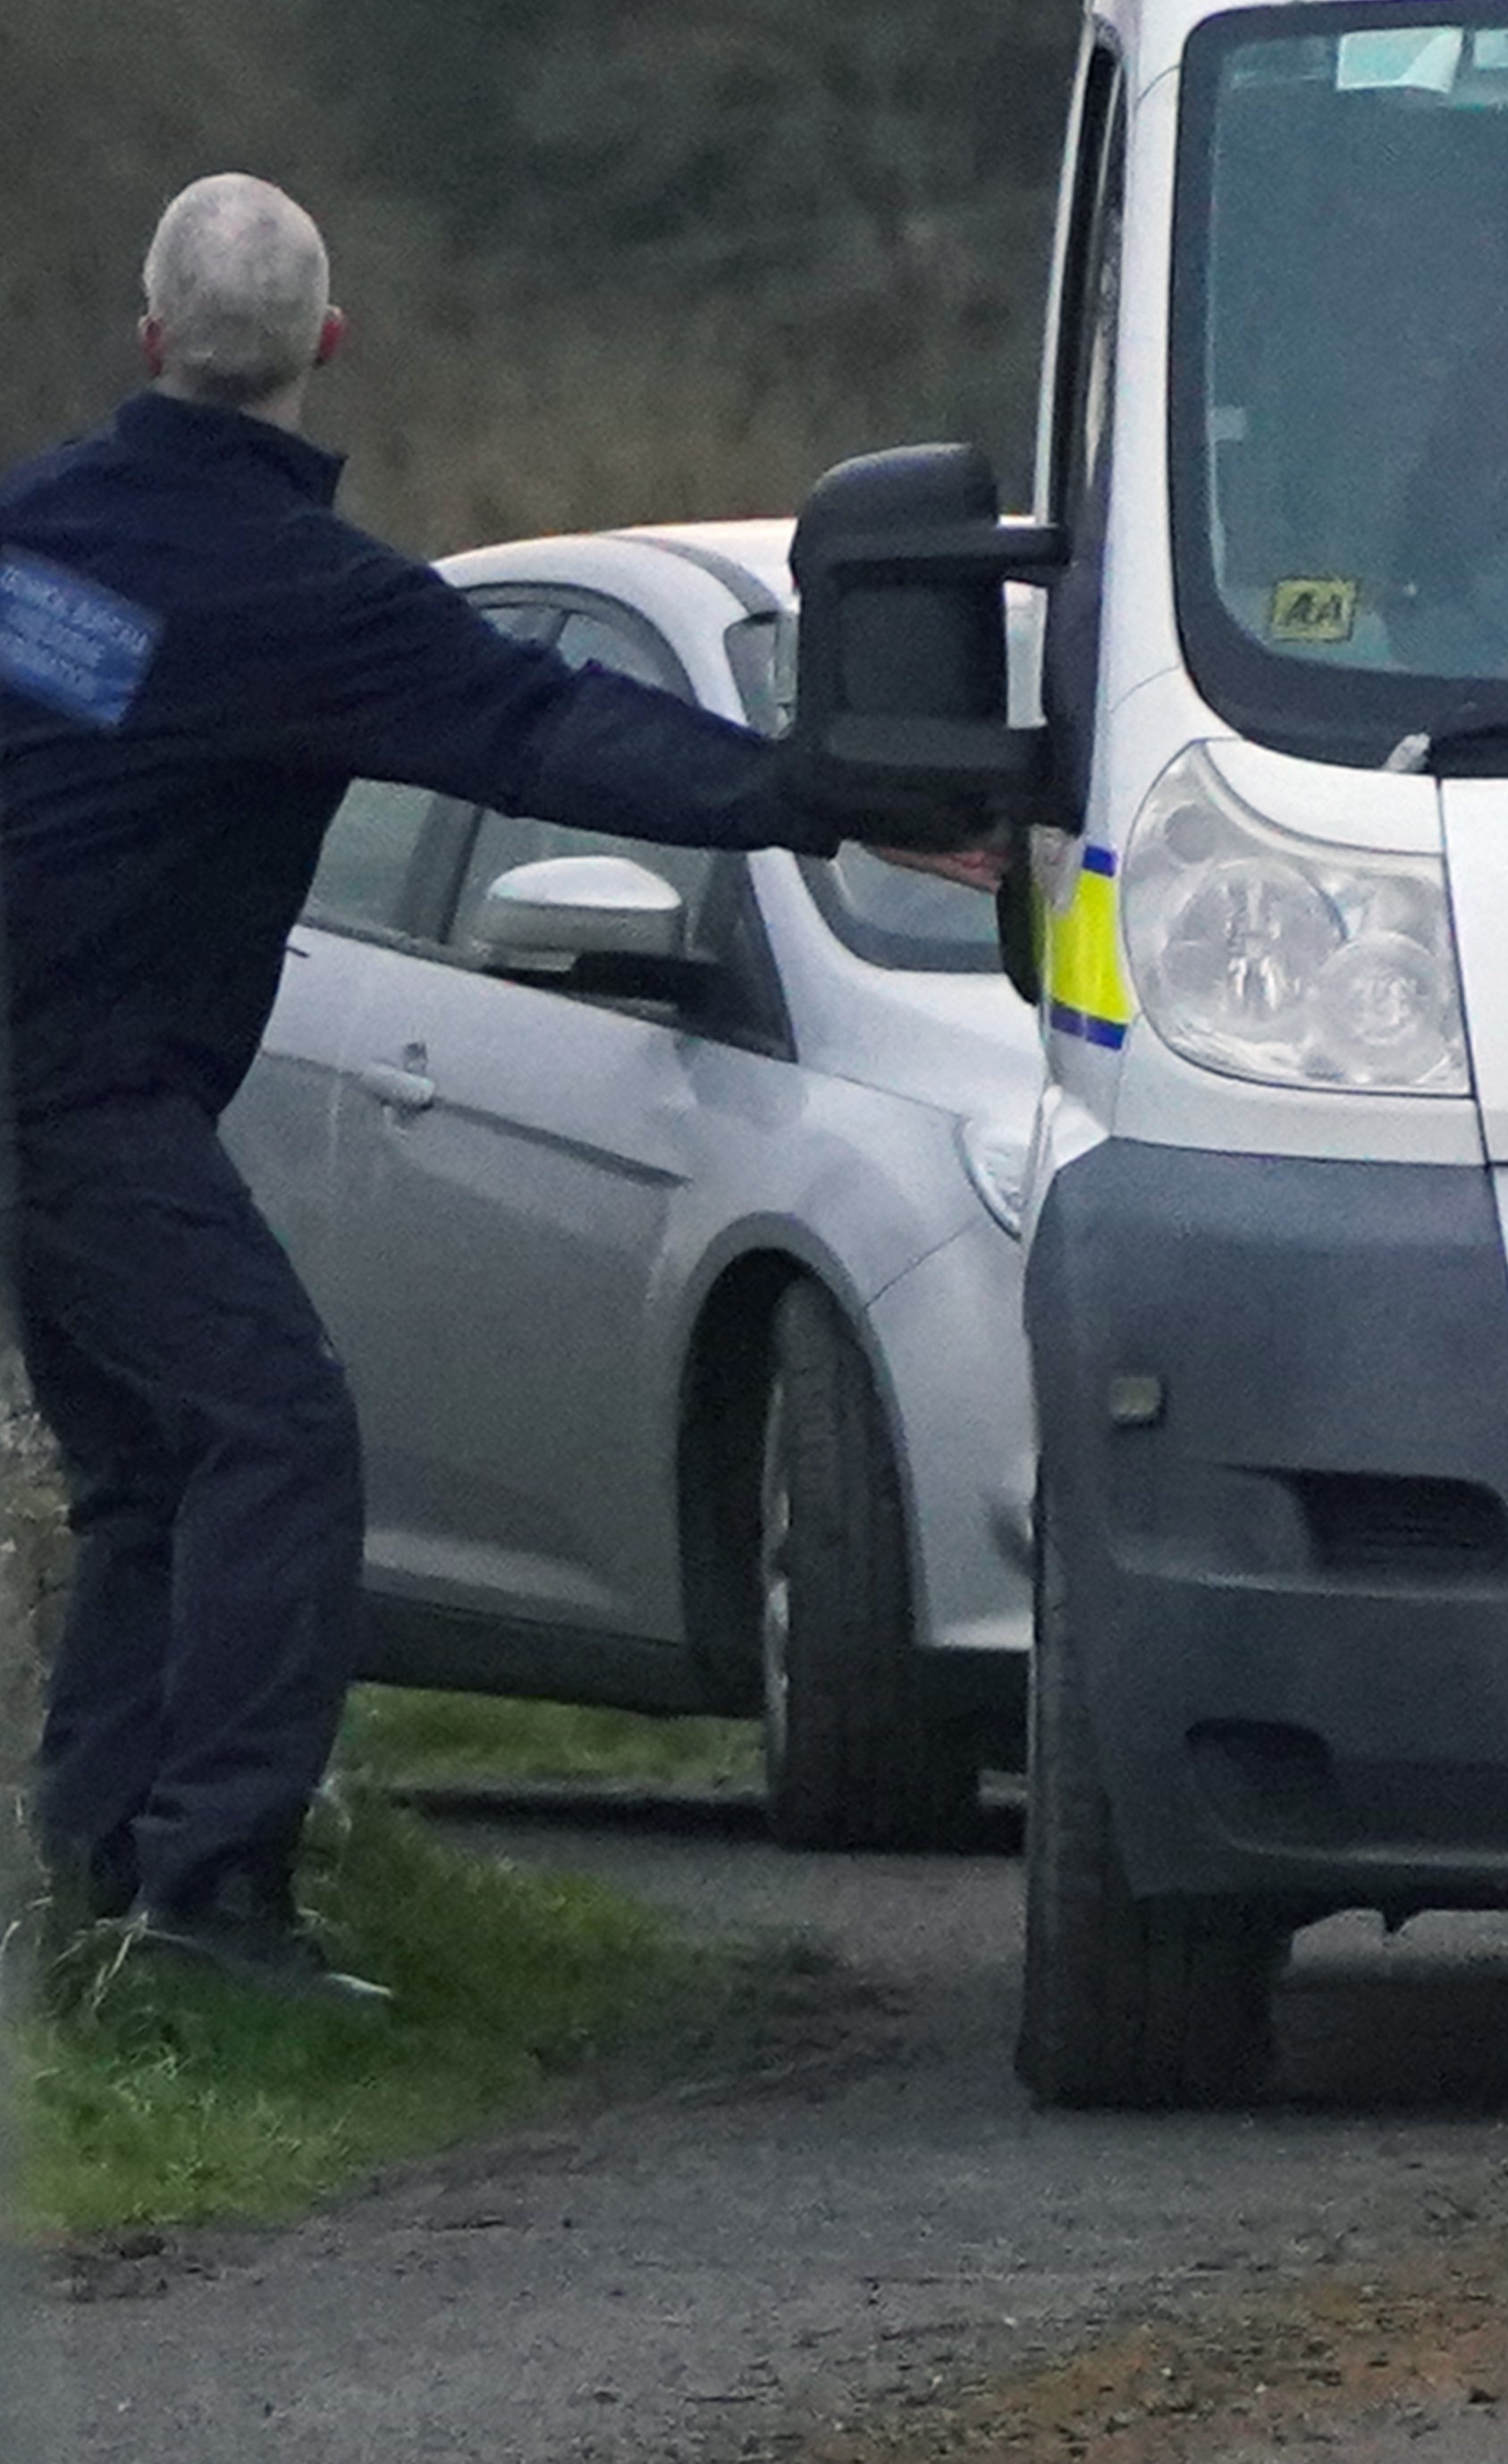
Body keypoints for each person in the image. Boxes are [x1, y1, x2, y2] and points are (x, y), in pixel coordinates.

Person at [0, 179, 939, 2005]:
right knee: (274, 1435)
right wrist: (823, 795)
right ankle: (213, 1904)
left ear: (148, 332)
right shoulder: (307, 595)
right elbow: (549, 728)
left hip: (65, 1088)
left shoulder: (32, 533)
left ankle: (100, 1885)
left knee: (154, 1470)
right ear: (331, 343)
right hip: (82, 1089)